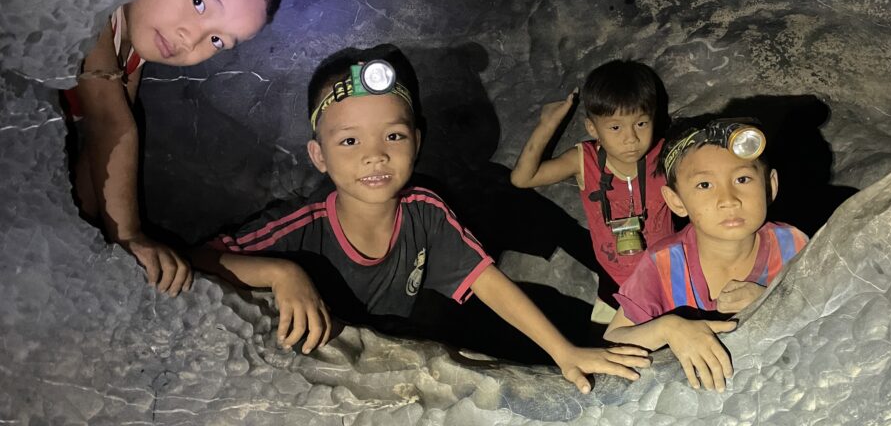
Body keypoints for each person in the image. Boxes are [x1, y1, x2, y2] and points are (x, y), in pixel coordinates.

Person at [190, 45, 651, 394]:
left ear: (417, 140)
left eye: (393, 135)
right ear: (319, 155)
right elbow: (198, 259)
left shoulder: (424, 210)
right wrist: (280, 271)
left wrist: (563, 352)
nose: (375, 155)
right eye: (350, 142)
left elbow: (487, 282)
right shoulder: (300, 226)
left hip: (400, 345)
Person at [62, 0, 286, 297]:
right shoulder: (97, 12)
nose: (191, 38)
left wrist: (81, 225)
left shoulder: (131, 53)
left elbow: (97, 150)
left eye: (217, 40)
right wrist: (129, 235)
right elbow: (108, 123)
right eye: (199, 3)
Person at [603, 118, 808, 392]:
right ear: (676, 201)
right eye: (704, 185)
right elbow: (615, 339)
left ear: (770, 186)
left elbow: (828, 314)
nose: (729, 200)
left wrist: (771, 304)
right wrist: (670, 329)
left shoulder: (792, 245)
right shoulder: (664, 262)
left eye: (742, 179)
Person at [510, 60, 674, 314]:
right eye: (616, 127)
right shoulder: (584, 160)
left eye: (641, 123)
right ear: (592, 128)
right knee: (606, 349)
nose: (630, 138)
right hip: (614, 284)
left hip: (669, 276)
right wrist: (548, 124)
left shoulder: (666, 155)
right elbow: (522, 179)